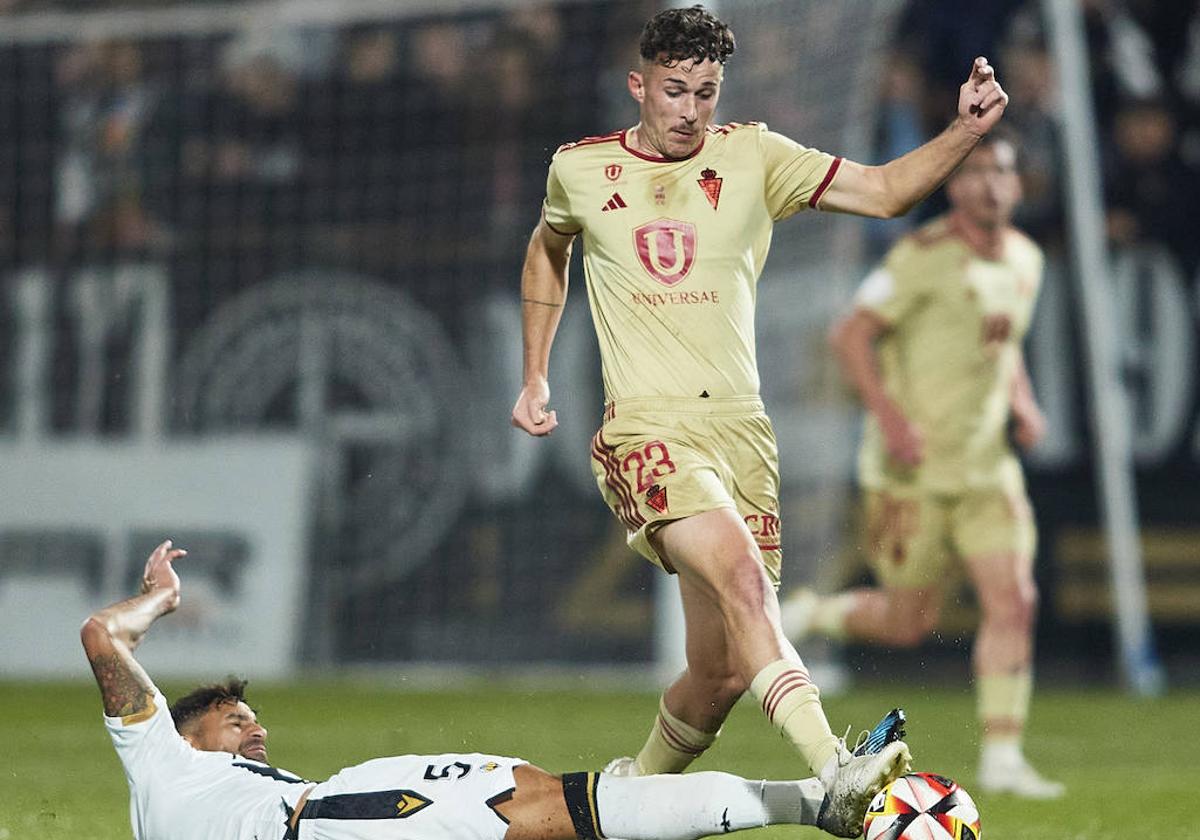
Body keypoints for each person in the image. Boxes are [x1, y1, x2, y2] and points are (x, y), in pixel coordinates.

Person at [510, 3, 1007, 820]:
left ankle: (624, 805)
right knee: (746, 581)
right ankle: (839, 769)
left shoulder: (755, 156)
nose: (691, 110)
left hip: (742, 431)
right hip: (646, 428)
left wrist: (963, 132)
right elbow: (547, 246)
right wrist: (536, 376)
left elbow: (883, 194)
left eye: (706, 92)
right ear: (639, 86)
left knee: (722, 674)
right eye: (674, 91)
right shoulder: (581, 170)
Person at [83, 540, 903, 839]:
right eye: (234, 722)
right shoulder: (156, 756)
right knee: (548, 806)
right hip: (338, 818)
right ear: (183, 731)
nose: (254, 732)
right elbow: (102, 635)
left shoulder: (207, 798)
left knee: (552, 809)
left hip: (335, 814)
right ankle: (816, 801)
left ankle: (804, 802)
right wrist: (161, 601)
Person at [779, 131, 1064, 799]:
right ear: (955, 188)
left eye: (1001, 171)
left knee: (1015, 600)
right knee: (908, 621)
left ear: (1017, 185)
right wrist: (891, 418)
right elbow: (848, 334)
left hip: (987, 468)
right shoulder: (919, 257)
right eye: (976, 174)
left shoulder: (1026, 258)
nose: (990, 184)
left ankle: (1002, 755)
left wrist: (1022, 401)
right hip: (909, 474)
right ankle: (816, 613)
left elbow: (1004, 343)